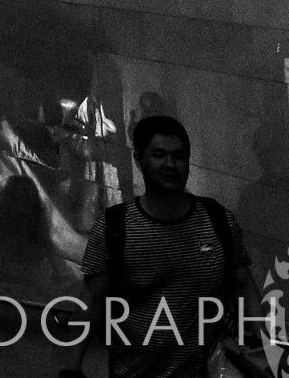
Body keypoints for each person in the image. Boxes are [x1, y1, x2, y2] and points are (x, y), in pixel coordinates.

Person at [82, 115, 259, 378]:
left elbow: (243, 285)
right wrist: (71, 362)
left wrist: (268, 345)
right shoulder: (114, 228)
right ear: (139, 159)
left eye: (178, 156)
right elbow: (94, 300)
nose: (170, 164)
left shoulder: (217, 220)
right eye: (159, 155)